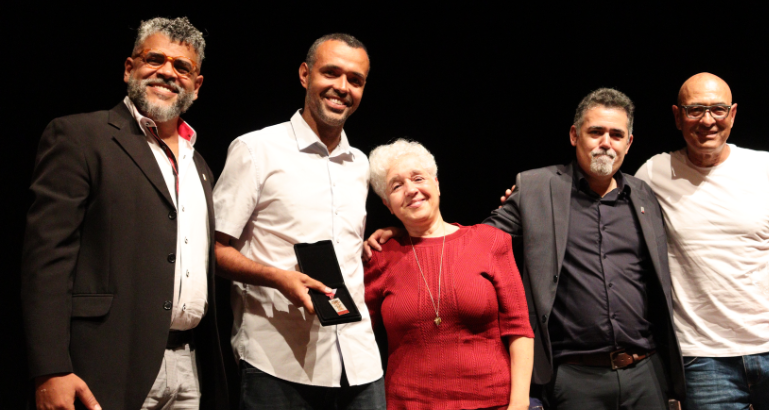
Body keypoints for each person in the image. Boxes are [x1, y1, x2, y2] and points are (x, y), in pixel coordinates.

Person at [367, 88, 686, 409]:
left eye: (616, 134)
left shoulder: (643, 196)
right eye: (596, 132)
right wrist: (409, 228)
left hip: (645, 372)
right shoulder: (535, 189)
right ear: (575, 135)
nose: (606, 142)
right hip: (575, 378)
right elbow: (472, 243)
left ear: (629, 142)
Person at [21, 17, 227, 410]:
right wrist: (50, 368)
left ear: (196, 86)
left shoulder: (199, 163)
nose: (168, 72)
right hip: (104, 365)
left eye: (182, 67)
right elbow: (45, 260)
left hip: (187, 366)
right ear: (129, 67)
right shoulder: (80, 136)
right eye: (155, 59)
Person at [635, 72, 769, 409]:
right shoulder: (653, 174)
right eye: (695, 109)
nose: (708, 120)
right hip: (704, 359)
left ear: (733, 114)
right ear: (677, 116)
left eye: (718, 109)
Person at [212, 34, 384, 409]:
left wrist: (386, 235)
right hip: (278, 361)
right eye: (331, 73)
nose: (342, 87)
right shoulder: (256, 150)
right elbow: (211, 250)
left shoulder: (360, 164)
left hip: (359, 360)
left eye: (354, 80)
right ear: (305, 75)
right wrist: (278, 277)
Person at [364, 139, 534, 410]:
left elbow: (519, 330)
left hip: (493, 403)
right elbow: (358, 338)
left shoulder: (490, 241)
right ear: (387, 205)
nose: (411, 190)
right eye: (397, 186)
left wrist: (519, 404)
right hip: (407, 404)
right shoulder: (379, 257)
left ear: (437, 184)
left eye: (418, 178)